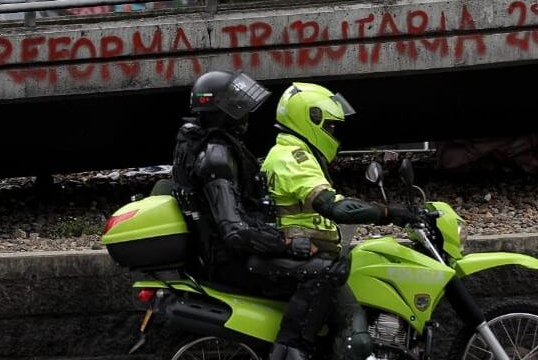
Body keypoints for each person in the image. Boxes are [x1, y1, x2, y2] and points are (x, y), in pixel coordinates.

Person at [259, 82, 421, 360]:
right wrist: (386, 213)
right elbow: (334, 207)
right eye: (330, 127)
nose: (333, 133)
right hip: (308, 261)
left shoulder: (290, 153)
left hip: (312, 258)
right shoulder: (293, 158)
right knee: (355, 338)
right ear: (310, 120)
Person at [170, 70, 317, 292]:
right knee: (327, 272)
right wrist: (288, 244)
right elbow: (235, 231)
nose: (246, 116)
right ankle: (293, 329)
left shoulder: (194, 143)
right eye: (239, 109)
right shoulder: (216, 158)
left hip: (221, 253)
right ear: (225, 112)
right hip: (229, 261)